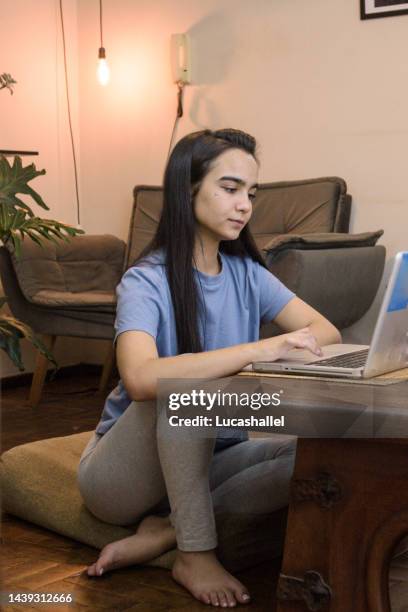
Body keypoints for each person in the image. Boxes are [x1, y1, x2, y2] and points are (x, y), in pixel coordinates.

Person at [78, 128, 341, 608]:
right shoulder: (145, 280)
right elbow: (140, 378)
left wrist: (282, 346)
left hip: (210, 460)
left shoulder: (247, 274)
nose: (245, 204)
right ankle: (194, 552)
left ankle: (167, 531)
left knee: (313, 454)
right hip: (120, 480)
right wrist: (256, 350)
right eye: (230, 188)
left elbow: (326, 333)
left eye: (252, 193)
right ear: (188, 189)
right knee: (181, 392)